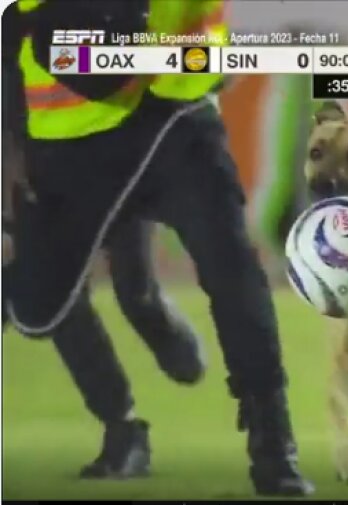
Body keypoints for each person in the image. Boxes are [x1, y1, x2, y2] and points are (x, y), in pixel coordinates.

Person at [7, 0, 314, 496]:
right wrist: (16, 146)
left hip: (175, 115)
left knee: (230, 265)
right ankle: (131, 396)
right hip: (74, 137)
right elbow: (22, 30)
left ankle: (274, 446)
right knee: (42, 307)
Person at [2, 2, 206, 479]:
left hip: (110, 157)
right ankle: (123, 428)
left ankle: (157, 326)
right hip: (41, 174)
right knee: (54, 298)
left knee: (132, 289)